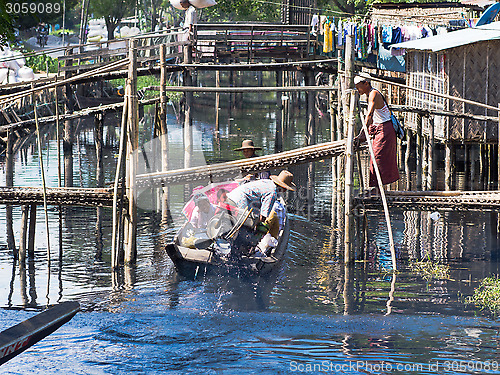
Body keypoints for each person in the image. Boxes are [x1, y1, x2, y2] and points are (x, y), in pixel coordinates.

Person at [353, 74, 399, 193]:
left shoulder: (373, 94)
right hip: (381, 128)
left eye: (359, 87)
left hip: (385, 130)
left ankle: (378, 189)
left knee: (377, 158)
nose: (358, 90)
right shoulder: (370, 94)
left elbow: (369, 115)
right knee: (376, 159)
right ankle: (377, 189)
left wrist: (362, 133)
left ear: (366, 84)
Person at [227, 170, 295, 224]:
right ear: (284, 189)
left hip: (232, 195)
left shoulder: (267, 182)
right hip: (240, 201)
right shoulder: (272, 193)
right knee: (247, 223)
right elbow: (263, 216)